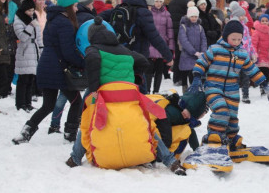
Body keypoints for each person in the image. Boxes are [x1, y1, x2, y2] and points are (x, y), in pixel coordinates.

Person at [65, 17, 186, 176]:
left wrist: (94, 86)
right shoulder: (124, 50)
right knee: (148, 126)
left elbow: (92, 59)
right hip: (129, 97)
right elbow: (143, 61)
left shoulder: (93, 49)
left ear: (91, 37)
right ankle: (170, 161)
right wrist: (134, 78)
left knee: (87, 122)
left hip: (106, 97)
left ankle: (75, 158)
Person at [12, 0, 85, 144]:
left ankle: (26, 131)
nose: (77, 9)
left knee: (48, 105)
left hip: (48, 67)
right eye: (75, 6)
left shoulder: (54, 19)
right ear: (68, 6)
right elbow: (68, 51)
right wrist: (83, 63)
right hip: (57, 69)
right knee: (76, 100)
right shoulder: (64, 23)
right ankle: (70, 135)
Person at [191, 20, 269, 151]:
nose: (236, 42)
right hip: (213, 87)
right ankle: (214, 136)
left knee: (232, 115)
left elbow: (251, 69)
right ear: (226, 36)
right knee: (221, 110)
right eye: (233, 39)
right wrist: (197, 77)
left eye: (239, 39)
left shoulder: (241, 54)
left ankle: (230, 137)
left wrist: (264, 84)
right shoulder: (215, 50)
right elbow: (201, 62)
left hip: (232, 90)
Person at [100, 0, 173, 93]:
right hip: (137, 58)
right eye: (150, 6)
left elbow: (100, 16)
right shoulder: (143, 13)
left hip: (118, 54)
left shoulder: (120, 8)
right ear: (146, 3)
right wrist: (168, 56)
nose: (150, 9)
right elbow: (155, 37)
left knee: (123, 87)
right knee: (140, 89)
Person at [48, 0, 95, 133]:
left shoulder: (61, 18)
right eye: (91, 3)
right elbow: (69, 46)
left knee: (68, 97)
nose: (92, 6)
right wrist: (81, 62)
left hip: (64, 63)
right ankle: (72, 127)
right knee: (74, 97)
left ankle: (57, 124)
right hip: (70, 62)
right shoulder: (73, 20)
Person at [13, 0, 43, 112]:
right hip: (24, 52)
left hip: (34, 51)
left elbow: (39, 36)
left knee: (31, 79)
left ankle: (28, 102)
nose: (31, 13)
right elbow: (22, 37)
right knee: (23, 79)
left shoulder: (34, 18)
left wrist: (41, 49)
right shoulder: (18, 19)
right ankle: (20, 104)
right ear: (24, 9)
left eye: (32, 10)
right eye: (29, 10)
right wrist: (31, 26)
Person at [147, 0, 175, 94]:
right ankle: (147, 91)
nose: (158, 3)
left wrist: (170, 49)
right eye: (156, 1)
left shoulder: (167, 14)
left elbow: (170, 31)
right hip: (150, 44)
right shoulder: (149, 13)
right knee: (148, 71)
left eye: (160, 1)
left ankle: (156, 91)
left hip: (161, 45)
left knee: (159, 71)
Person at [230, 5, 257, 103]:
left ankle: (246, 95)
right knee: (236, 76)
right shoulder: (233, 26)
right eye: (241, 15)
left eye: (243, 15)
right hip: (236, 54)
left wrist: (252, 53)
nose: (243, 17)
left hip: (246, 55)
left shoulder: (245, 27)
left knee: (246, 76)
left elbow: (249, 42)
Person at [178, 6, 207, 93]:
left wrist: (203, 52)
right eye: (192, 16)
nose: (194, 18)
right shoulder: (183, 27)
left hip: (197, 57)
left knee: (193, 75)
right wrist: (193, 52)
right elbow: (184, 41)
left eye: (195, 16)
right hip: (186, 55)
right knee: (184, 75)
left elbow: (204, 40)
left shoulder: (200, 27)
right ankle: (185, 92)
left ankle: (192, 93)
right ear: (188, 16)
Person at [168, 0, 191, 86]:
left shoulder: (172, 2)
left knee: (177, 55)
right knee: (185, 54)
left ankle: (176, 78)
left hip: (173, 30)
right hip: (184, 31)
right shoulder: (187, 2)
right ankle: (183, 78)